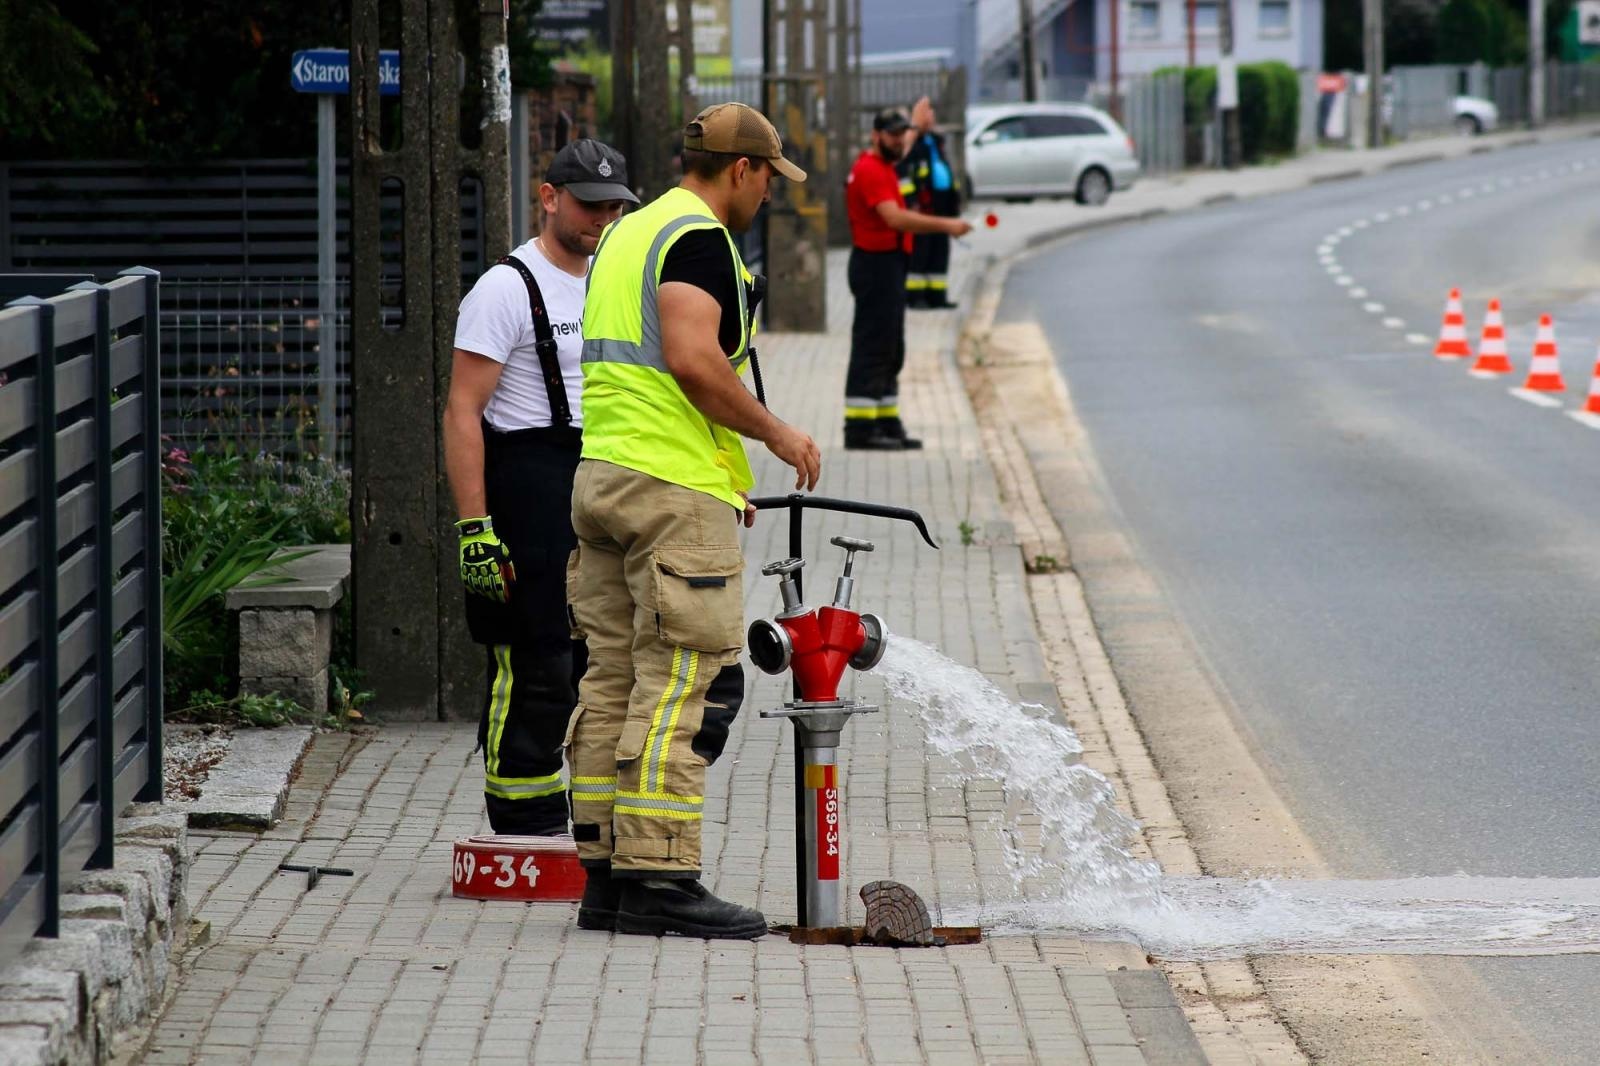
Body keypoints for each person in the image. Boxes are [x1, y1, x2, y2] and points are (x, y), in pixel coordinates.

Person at [567, 102, 821, 940]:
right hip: (668, 490)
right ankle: (662, 878)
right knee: (687, 679)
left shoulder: (628, 234)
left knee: (611, 680)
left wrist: (724, 470)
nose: (768, 197)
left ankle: (604, 877)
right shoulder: (701, 239)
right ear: (741, 170)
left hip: (605, 477)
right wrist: (775, 433)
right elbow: (689, 359)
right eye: (767, 180)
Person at [444, 139, 637, 837]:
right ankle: (519, 812)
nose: (602, 218)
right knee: (535, 653)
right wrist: (475, 529)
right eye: (590, 204)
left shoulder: (614, 278)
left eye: (614, 207)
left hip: (602, 471)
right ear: (549, 197)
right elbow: (463, 410)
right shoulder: (504, 288)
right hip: (526, 477)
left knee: (596, 652)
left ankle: (576, 808)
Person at [842, 107, 972, 451]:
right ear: (876, 135)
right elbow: (896, 219)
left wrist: (917, 124)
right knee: (873, 348)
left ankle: (886, 422)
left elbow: (905, 143)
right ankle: (860, 430)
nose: (900, 140)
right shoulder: (870, 170)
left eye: (903, 134)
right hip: (875, 266)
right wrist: (948, 225)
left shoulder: (885, 165)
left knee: (891, 349)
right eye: (893, 134)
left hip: (890, 265)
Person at [900, 96, 962, 310]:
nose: (932, 118)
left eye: (932, 114)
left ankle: (937, 296)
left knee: (939, 249)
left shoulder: (936, 140)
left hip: (941, 201)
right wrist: (911, 201)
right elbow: (904, 175)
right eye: (928, 114)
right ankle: (916, 297)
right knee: (920, 250)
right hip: (922, 204)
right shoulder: (910, 144)